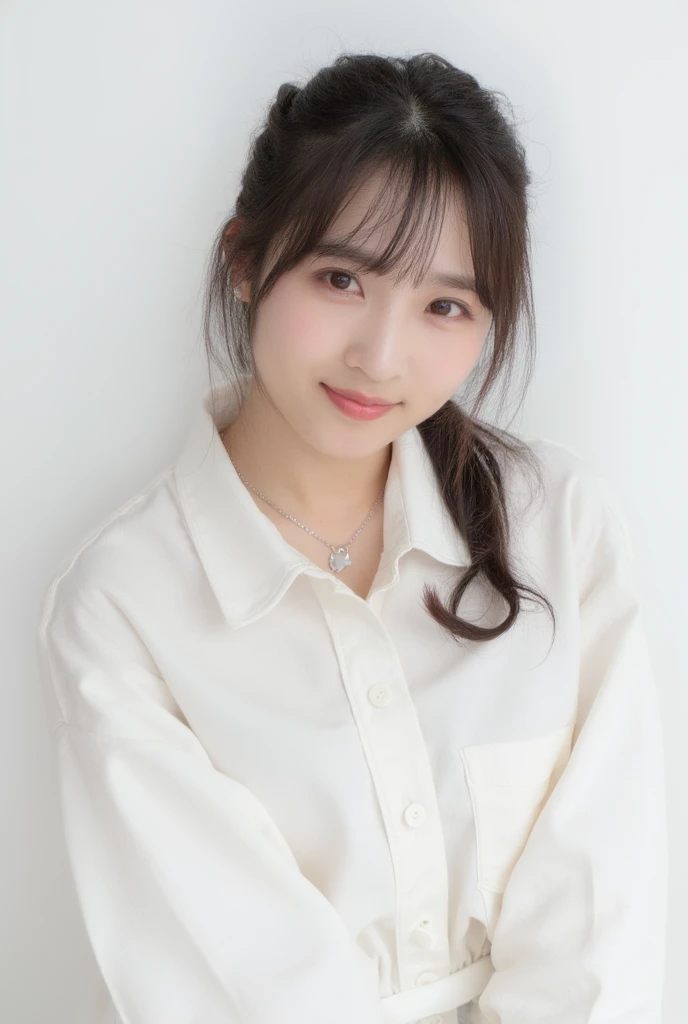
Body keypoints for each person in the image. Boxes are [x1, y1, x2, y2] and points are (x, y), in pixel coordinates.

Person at [35, 51, 667, 1024]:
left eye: (443, 305)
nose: (381, 354)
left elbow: (602, 922)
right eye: (340, 278)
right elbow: (230, 983)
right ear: (245, 258)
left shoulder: (561, 528)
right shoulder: (124, 607)